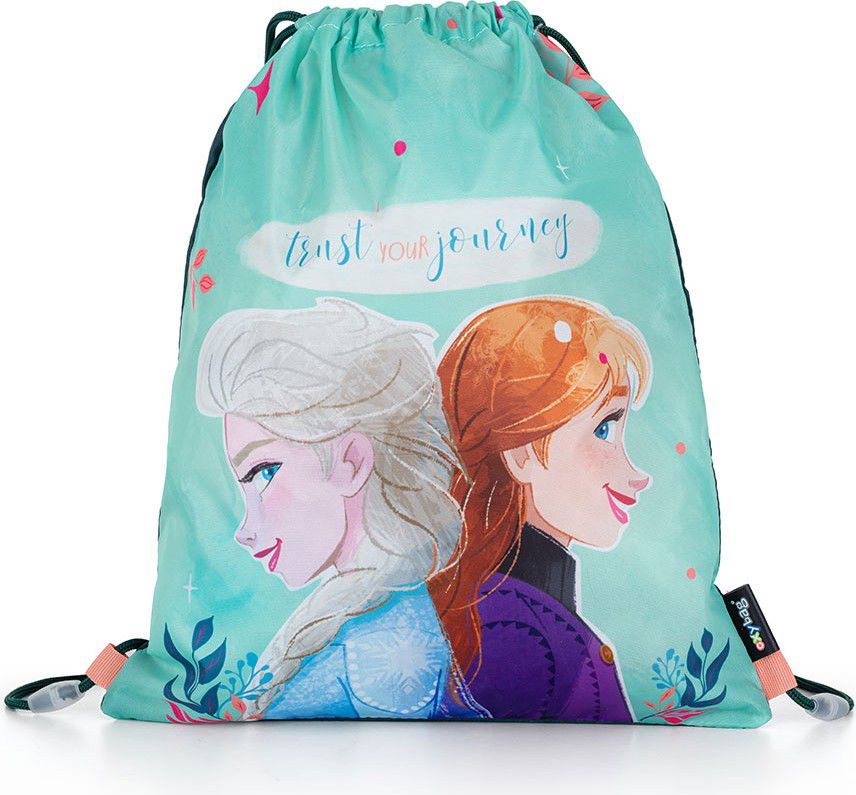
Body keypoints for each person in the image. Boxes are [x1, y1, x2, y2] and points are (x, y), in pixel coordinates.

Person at [196, 298, 479, 719]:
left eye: (264, 473)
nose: (245, 529)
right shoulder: (366, 611)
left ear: (352, 461)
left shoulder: (381, 641)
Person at [429, 296, 653, 722]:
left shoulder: (495, 609)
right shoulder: (520, 633)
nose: (636, 474)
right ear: (522, 455)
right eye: (604, 429)